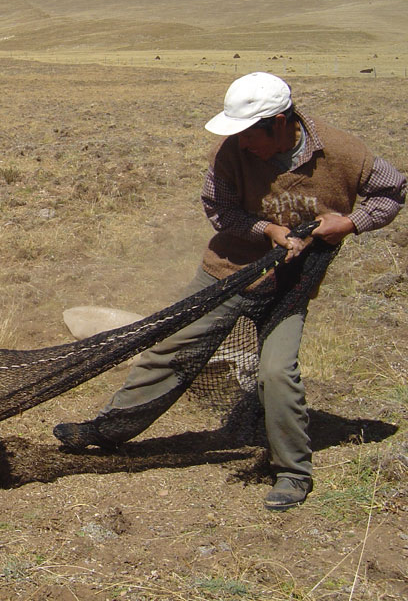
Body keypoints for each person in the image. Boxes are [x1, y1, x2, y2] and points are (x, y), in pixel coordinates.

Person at [55, 72, 405, 511]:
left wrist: (350, 223)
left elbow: (391, 192)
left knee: (277, 373)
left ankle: (293, 472)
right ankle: (107, 431)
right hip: (225, 272)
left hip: (289, 287)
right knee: (172, 350)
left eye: (248, 134)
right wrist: (267, 228)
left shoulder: (344, 152)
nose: (240, 143)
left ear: (280, 122)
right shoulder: (229, 152)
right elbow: (218, 208)